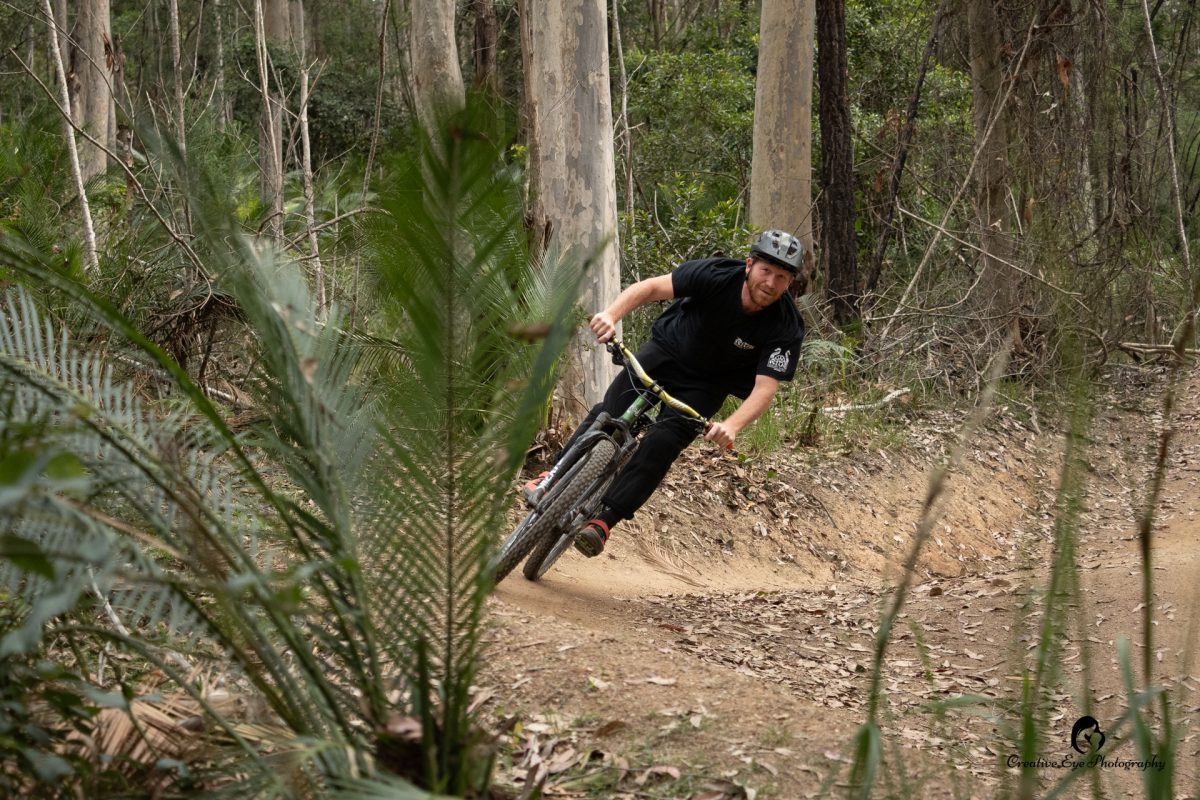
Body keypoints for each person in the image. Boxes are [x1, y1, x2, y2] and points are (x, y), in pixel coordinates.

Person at [526, 229, 807, 557]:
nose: (771, 283)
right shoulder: (715, 274)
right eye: (765, 271)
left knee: (662, 443)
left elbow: (765, 388)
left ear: (790, 283)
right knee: (609, 413)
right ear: (749, 266)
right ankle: (554, 476)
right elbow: (651, 288)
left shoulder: (786, 325)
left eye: (782, 277)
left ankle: (604, 521)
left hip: (707, 385)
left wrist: (732, 425)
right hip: (666, 351)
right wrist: (611, 315)